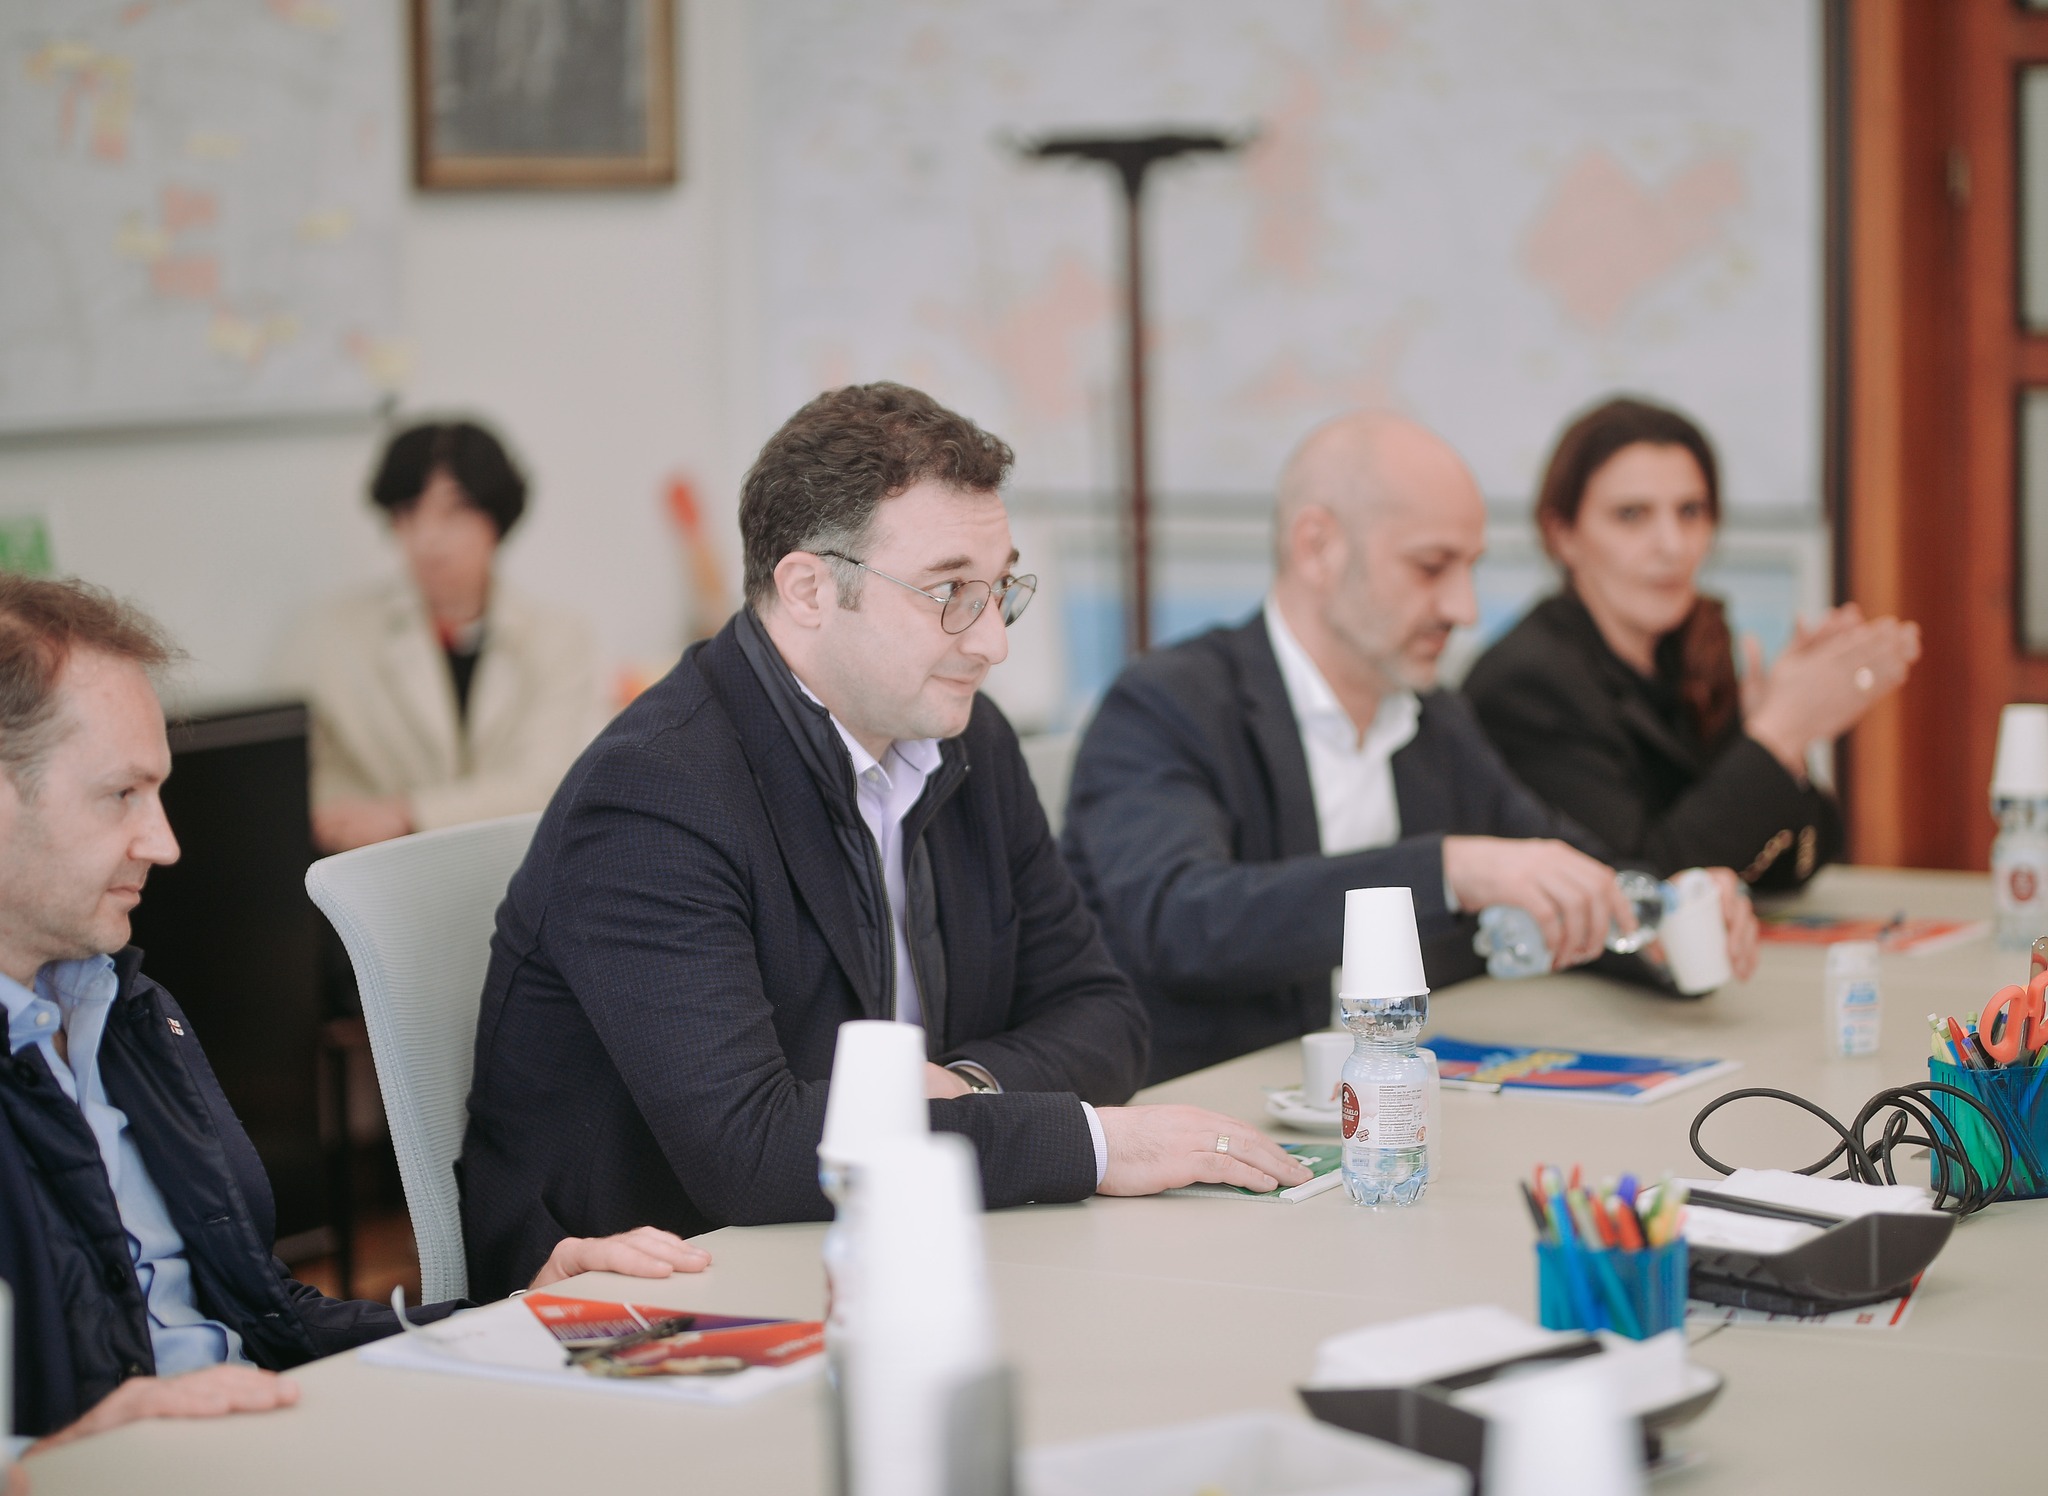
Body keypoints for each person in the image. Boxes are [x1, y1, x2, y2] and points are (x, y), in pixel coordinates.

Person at [458, 383, 1310, 1299]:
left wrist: (970, 1088)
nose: (992, 643)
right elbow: (750, 1152)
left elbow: (1103, 1014)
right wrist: (1092, 1142)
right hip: (658, 1286)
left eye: (999, 591)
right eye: (950, 593)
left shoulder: (967, 740)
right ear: (810, 589)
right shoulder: (655, 793)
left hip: (891, 1240)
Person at [0, 575, 710, 1453]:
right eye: (120, 795)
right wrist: (47, 1453)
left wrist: (516, 1315)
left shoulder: (127, 1015)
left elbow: (268, 1317)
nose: (166, 843)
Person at [1060, 412, 1759, 1085]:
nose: (1464, 609)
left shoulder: (1435, 720)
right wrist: (1449, 870)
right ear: (1317, 548)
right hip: (1215, 1117)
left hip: (1407, 1112)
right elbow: (1184, 921)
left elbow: (1559, 863)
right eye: (1431, 567)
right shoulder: (1166, 703)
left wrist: (1668, 912)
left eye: (1470, 568)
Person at [1463, 397, 1920, 891]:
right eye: (1631, 515)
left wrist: (1778, 747)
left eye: (1690, 512)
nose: (1673, 545)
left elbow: (1791, 868)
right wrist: (1779, 732)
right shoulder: (1527, 683)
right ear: (1562, 536)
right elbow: (1639, 887)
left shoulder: (1689, 652)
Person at [282, 420, 609, 854]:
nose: (427, 538)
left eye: (453, 511)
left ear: (496, 518)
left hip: (515, 868)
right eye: (408, 513)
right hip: (375, 874)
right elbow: (299, 775)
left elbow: (546, 783)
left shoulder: (558, 637)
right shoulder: (332, 634)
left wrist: (405, 814)